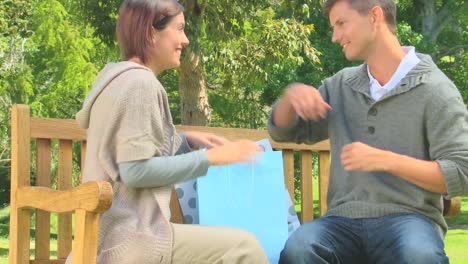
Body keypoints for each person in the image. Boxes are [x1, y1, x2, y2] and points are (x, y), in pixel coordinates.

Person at [268, 0, 468, 263]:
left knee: (420, 256)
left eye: (341, 23)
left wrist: (386, 160)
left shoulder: (435, 90)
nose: (335, 36)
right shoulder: (341, 85)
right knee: (300, 249)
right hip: (341, 222)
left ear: (374, 16)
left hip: (410, 219)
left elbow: (461, 172)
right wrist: (290, 99)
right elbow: (284, 133)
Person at [69, 0, 269, 263]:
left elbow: (133, 156)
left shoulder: (116, 80)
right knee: (246, 247)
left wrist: (186, 141)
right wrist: (213, 158)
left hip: (101, 240)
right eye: (180, 29)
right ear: (151, 33)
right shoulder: (140, 83)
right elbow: (135, 171)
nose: (185, 40)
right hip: (131, 241)